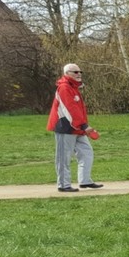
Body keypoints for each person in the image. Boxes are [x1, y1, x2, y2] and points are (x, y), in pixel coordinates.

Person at [47, 63, 102, 192]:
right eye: (75, 72)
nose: (79, 74)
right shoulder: (64, 88)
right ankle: (63, 185)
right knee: (64, 157)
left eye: (80, 72)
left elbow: (78, 110)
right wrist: (84, 125)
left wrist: (82, 126)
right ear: (67, 74)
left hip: (78, 128)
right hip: (65, 127)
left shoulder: (74, 88)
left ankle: (85, 180)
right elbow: (70, 109)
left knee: (86, 152)